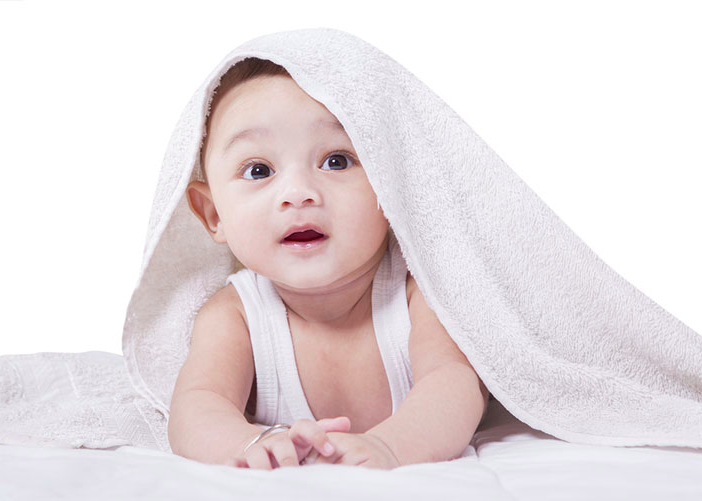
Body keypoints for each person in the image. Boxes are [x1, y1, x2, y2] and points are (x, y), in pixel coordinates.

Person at [167, 57, 490, 470]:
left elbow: (456, 386)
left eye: (336, 160)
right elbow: (197, 405)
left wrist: (391, 447)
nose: (298, 193)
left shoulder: (416, 295)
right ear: (214, 215)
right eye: (259, 169)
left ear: (389, 184)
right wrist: (249, 443)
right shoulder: (235, 315)